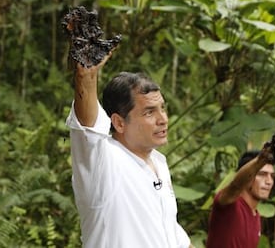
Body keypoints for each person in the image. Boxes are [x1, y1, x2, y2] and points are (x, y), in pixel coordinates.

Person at [66, 52, 193, 247]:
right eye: (149, 112)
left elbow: (172, 234)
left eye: (163, 108)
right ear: (118, 122)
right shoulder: (103, 161)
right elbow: (87, 129)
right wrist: (86, 77)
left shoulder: (158, 162)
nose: (163, 119)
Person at [206, 148, 275, 248]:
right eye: (261, 174)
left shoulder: (256, 216)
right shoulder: (229, 204)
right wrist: (260, 160)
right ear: (247, 176)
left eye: (272, 176)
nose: (269, 181)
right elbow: (235, 186)